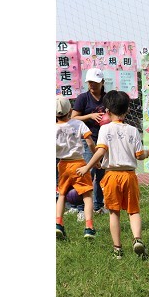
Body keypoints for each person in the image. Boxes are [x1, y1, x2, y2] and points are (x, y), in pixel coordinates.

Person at [76, 90, 149, 260]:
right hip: (129, 175)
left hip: (111, 176)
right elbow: (139, 155)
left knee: (114, 213)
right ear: (128, 110)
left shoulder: (105, 129)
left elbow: (101, 151)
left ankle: (117, 249)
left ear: (107, 111)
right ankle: (137, 239)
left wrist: (87, 167)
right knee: (134, 211)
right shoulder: (133, 130)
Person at [55, 95, 97, 240]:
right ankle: (89, 227)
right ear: (70, 110)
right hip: (79, 163)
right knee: (87, 195)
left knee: (62, 194)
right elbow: (90, 142)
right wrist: (95, 158)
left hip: (63, 165)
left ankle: (58, 224)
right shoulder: (78, 124)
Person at [71, 68, 109, 216]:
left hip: (104, 141)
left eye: (95, 82)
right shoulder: (83, 98)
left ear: (102, 82)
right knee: (87, 172)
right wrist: (90, 116)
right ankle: (81, 207)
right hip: (88, 140)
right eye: (90, 82)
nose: (92, 85)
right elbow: (73, 118)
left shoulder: (107, 98)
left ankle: (98, 206)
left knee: (101, 173)